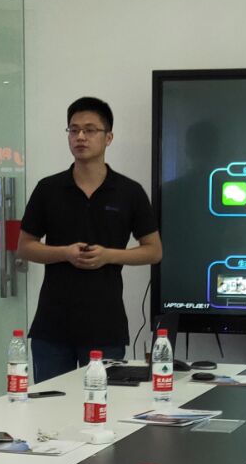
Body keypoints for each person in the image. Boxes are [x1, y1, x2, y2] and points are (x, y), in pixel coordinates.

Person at [19, 97, 163, 381]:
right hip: (52, 325)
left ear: (108, 137)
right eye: (73, 130)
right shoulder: (48, 189)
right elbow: (25, 247)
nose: (80, 137)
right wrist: (65, 253)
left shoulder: (129, 191)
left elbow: (154, 251)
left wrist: (108, 256)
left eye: (90, 130)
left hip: (105, 325)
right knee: (50, 402)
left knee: (100, 402)